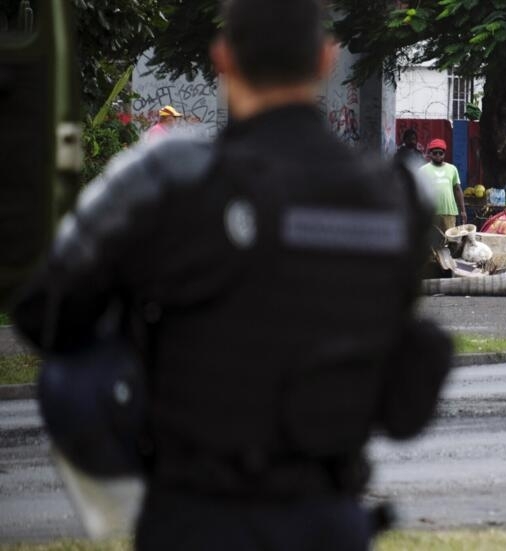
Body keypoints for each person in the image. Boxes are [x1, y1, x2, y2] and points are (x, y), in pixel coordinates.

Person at [11, 0, 452, 549]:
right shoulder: (397, 197)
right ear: (325, 59)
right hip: (328, 518)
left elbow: (44, 311)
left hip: (192, 515)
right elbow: (403, 385)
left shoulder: (167, 176)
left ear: (222, 58)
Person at [419, 137, 467, 232]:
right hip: (430, 214)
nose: (438, 155)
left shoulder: (452, 169)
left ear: (444, 154)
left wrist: (463, 211)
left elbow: (457, 189)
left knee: (451, 241)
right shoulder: (423, 170)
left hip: (449, 213)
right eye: (435, 153)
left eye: (441, 153)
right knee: (431, 244)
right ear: (430, 154)